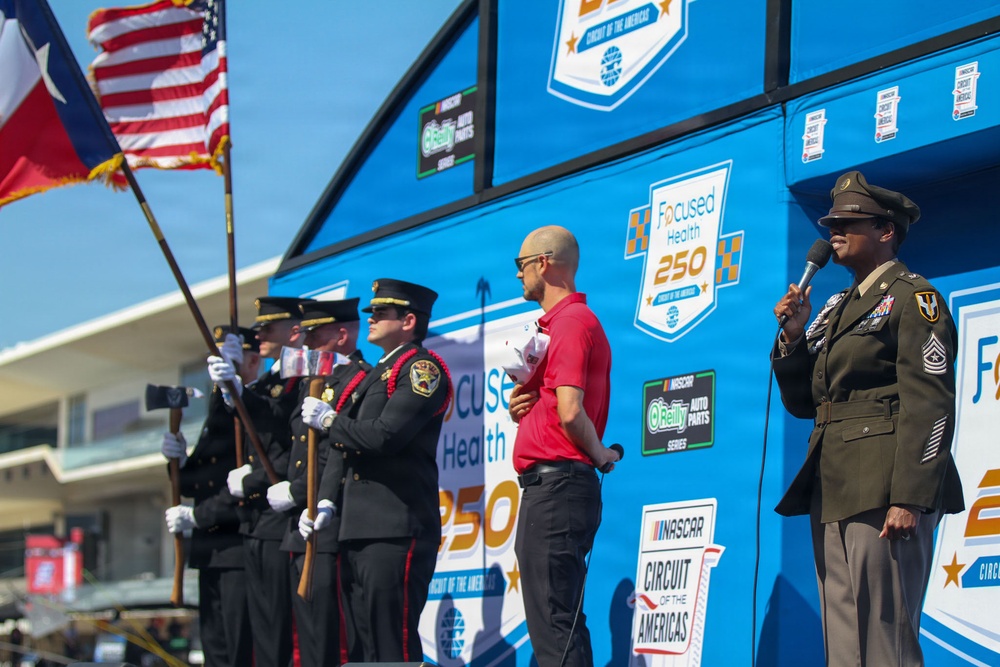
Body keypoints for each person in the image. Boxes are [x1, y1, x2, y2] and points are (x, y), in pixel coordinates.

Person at [772, 171, 964, 666]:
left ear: (886, 231)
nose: (833, 230)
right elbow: (804, 401)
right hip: (832, 480)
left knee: (885, 639)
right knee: (844, 642)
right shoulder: (835, 306)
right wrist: (793, 337)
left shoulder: (913, 298)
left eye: (848, 222)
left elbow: (931, 402)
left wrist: (910, 497)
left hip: (885, 483)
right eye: (831, 222)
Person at [299, 279, 451, 663]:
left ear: (409, 320)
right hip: (357, 528)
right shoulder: (376, 373)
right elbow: (343, 448)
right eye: (372, 311)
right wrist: (324, 502)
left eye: (382, 312)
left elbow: (386, 437)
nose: (372, 318)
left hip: (395, 526)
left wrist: (331, 420)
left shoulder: (420, 368)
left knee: (391, 643)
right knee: (364, 646)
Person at [506, 225, 619, 667]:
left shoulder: (571, 322)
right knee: (557, 622)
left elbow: (571, 411)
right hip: (551, 488)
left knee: (555, 626)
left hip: (558, 487)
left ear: (543, 262)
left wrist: (600, 455)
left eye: (521, 264)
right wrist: (526, 411)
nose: (518, 275)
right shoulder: (557, 325)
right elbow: (559, 406)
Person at [208, 296, 310, 667]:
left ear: (295, 331)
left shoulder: (300, 377)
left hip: (280, 519)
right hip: (256, 521)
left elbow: (282, 439)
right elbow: (245, 424)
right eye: (260, 327)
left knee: (282, 633)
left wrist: (251, 481)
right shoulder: (269, 379)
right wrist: (228, 387)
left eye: (269, 326)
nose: (260, 333)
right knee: (263, 632)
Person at [267, 298, 370, 667]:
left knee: (331, 641)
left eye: (316, 337)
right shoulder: (314, 382)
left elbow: (336, 453)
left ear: (342, 335)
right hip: (302, 523)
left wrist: (297, 492)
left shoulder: (357, 380)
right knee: (306, 641)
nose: (307, 345)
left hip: (330, 522)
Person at [161, 325, 256, 667]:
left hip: (238, 544)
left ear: (252, 363)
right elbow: (195, 484)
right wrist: (179, 463)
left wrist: (199, 516)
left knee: (240, 647)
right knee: (216, 647)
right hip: (212, 550)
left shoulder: (251, 408)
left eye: (226, 361)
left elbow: (250, 480)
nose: (216, 369)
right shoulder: (219, 409)